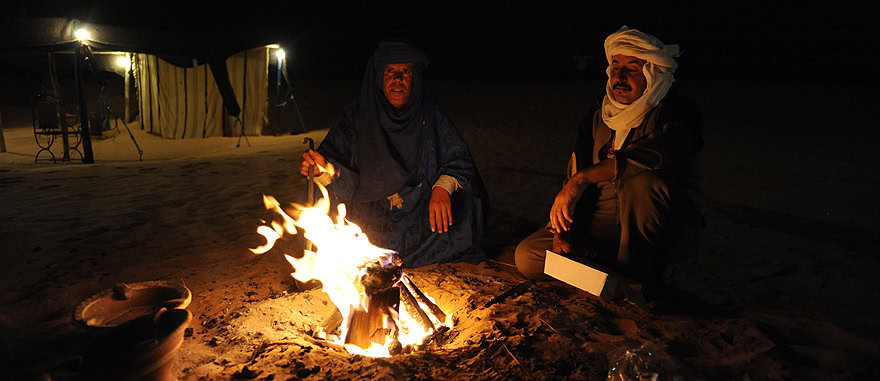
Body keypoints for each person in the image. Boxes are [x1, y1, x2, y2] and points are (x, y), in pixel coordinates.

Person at [515, 26, 704, 287]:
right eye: (615, 67)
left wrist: (582, 179)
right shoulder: (598, 116)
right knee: (528, 257)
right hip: (597, 219)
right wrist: (562, 234)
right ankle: (610, 278)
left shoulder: (676, 112)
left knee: (642, 181)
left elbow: (652, 155)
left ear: (653, 74)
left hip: (646, 224)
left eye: (632, 68)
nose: (620, 76)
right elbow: (575, 170)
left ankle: (634, 274)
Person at [300, 40, 487, 268]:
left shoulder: (430, 113)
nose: (397, 80)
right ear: (380, 77)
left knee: (466, 198)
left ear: (415, 78)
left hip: (422, 214)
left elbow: (459, 160)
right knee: (322, 196)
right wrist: (321, 167)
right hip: (368, 214)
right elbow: (333, 162)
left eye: (405, 72)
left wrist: (442, 188)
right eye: (390, 71)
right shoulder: (359, 114)